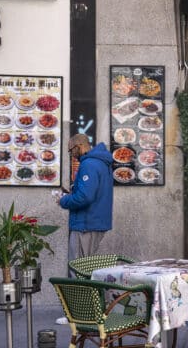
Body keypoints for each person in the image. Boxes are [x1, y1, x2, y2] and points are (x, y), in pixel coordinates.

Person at [55, 133, 114, 324]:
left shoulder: (89, 164)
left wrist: (63, 200)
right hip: (94, 222)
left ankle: (80, 316)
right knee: (88, 268)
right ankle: (98, 310)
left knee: (78, 268)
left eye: (71, 151)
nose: (72, 156)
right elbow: (88, 193)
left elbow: (85, 198)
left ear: (80, 146)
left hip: (86, 224)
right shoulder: (101, 163)